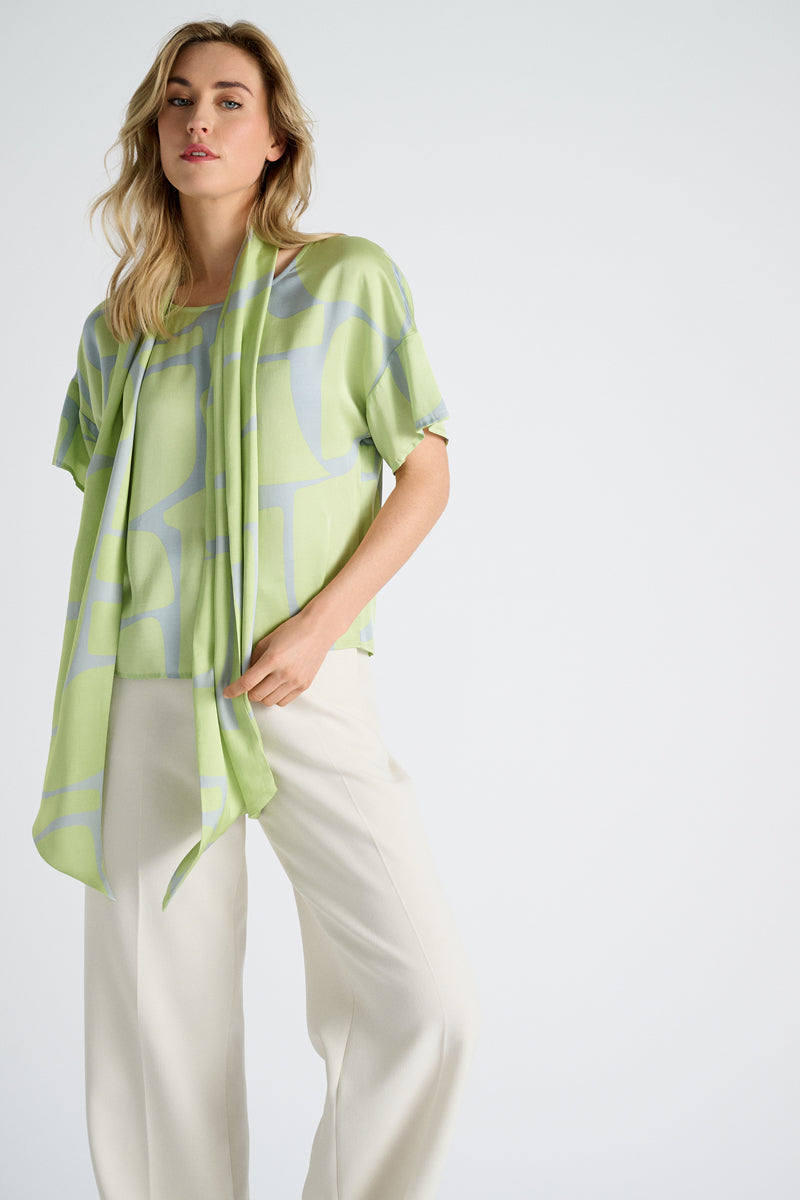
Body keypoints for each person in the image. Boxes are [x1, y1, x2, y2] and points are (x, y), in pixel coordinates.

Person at [33, 17, 480, 1200]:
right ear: (154, 133)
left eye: (230, 100)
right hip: (145, 692)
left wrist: (316, 626)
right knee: (156, 1034)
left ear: (276, 135)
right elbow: (121, 517)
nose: (200, 120)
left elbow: (423, 474)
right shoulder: (120, 330)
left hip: (300, 681)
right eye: (178, 100)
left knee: (425, 1002)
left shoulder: (343, 282)